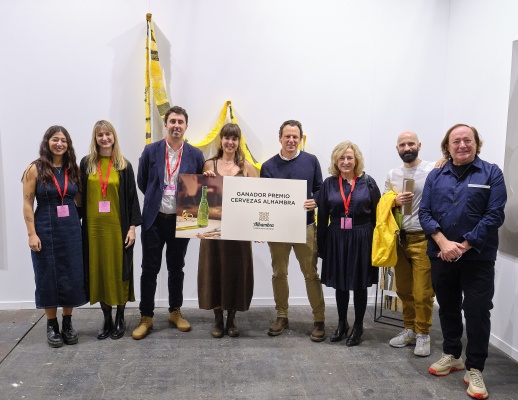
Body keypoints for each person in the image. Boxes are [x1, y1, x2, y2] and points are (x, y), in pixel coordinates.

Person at [419, 124, 506, 399]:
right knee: (447, 307)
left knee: (477, 310)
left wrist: (464, 245)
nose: (462, 145)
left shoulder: (491, 173)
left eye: (467, 140)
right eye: (456, 141)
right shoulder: (436, 175)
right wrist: (443, 243)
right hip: (441, 254)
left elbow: (494, 215)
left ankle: (475, 368)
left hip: (478, 256)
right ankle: (452, 354)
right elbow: (424, 212)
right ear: (448, 146)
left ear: (476, 143)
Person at [132, 106, 205, 340]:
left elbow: (200, 185)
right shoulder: (151, 150)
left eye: (180, 122)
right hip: (154, 220)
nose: (176, 125)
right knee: (149, 269)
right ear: (165, 124)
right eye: (172, 121)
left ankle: (175, 311)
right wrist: (156, 200)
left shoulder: (195, 155)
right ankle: (146, 316)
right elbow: (143, 181)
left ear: (186, 126)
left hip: (182, 221)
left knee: (176, 268)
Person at [260, 120, 326, 342]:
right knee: (279, 273)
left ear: (300, 138)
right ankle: (282, 316)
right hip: (278, 230)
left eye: (295, 137)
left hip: (305, 226)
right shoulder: (268, 166)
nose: (291, 140)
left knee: (311, 274)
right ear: (280, 138)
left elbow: (320, 188)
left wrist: (314, 201)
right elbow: (264, 200)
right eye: (287, 136)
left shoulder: (311, 161)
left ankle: (319, 319)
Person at [22, 126, 87, 348]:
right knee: (47, 276)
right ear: (47, 142)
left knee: (71, 275)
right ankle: (51, 324)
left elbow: (79, 200)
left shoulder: (73, 168)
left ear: (68, 144)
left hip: (71, 230)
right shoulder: (35, 168)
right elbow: (28, 204)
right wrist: (32, 234)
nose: (59, 144)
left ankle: (67, 322)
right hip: (45, 228)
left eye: (64, 140)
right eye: (55, 139)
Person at [80, 120, 142, 340]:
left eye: (108, 134)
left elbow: (133, 200)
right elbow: (80, 197)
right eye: (100, 135)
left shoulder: (123, 165)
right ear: (95, 139)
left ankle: (120, 317)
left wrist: (132, 228)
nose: (104, 138)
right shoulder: (86, 163)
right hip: (94, 232)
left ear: (114, 137)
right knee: (99, 271)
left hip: (118, 229)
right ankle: (106, 318)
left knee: (120, 272)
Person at [317, 141, 380, 346]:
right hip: (336, 236)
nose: (345, 161)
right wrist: (322, 246)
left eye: (349, 158)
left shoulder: (368, 182)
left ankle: (358, 326)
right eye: (342, 158)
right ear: (336, 160)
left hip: (362, 237)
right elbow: (323, 215)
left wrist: (376, 244)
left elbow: (378, 217)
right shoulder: (328, 183)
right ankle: (342, 323)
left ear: (356, 160)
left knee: (360, 284)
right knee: (340, 284)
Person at [198, 123, 257, 338]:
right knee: (213, 270)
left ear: (238, 141)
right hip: (214, 230)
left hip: (239, 231)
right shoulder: (209, 164)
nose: (230, 142)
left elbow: (256, 200)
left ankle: (232, 318)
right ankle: (217, 318)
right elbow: (199, 195)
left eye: (234, 138)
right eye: (227, 138)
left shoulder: (247, 167)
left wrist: (257, 229)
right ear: (221, 140)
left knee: (236, 272)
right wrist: (205, 180)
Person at [384, 131, 435, 357]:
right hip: (400, 238)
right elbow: (384, 203)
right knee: (404, 289)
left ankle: (423, 333)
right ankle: (409, 329)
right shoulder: (392, 174)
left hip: (423, 237)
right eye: (402, 144)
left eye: (411, 143)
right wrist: (394, 200)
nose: (407, 147)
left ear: (419, 145)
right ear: (397, 148)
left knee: (423, 291)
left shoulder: (433, 168)